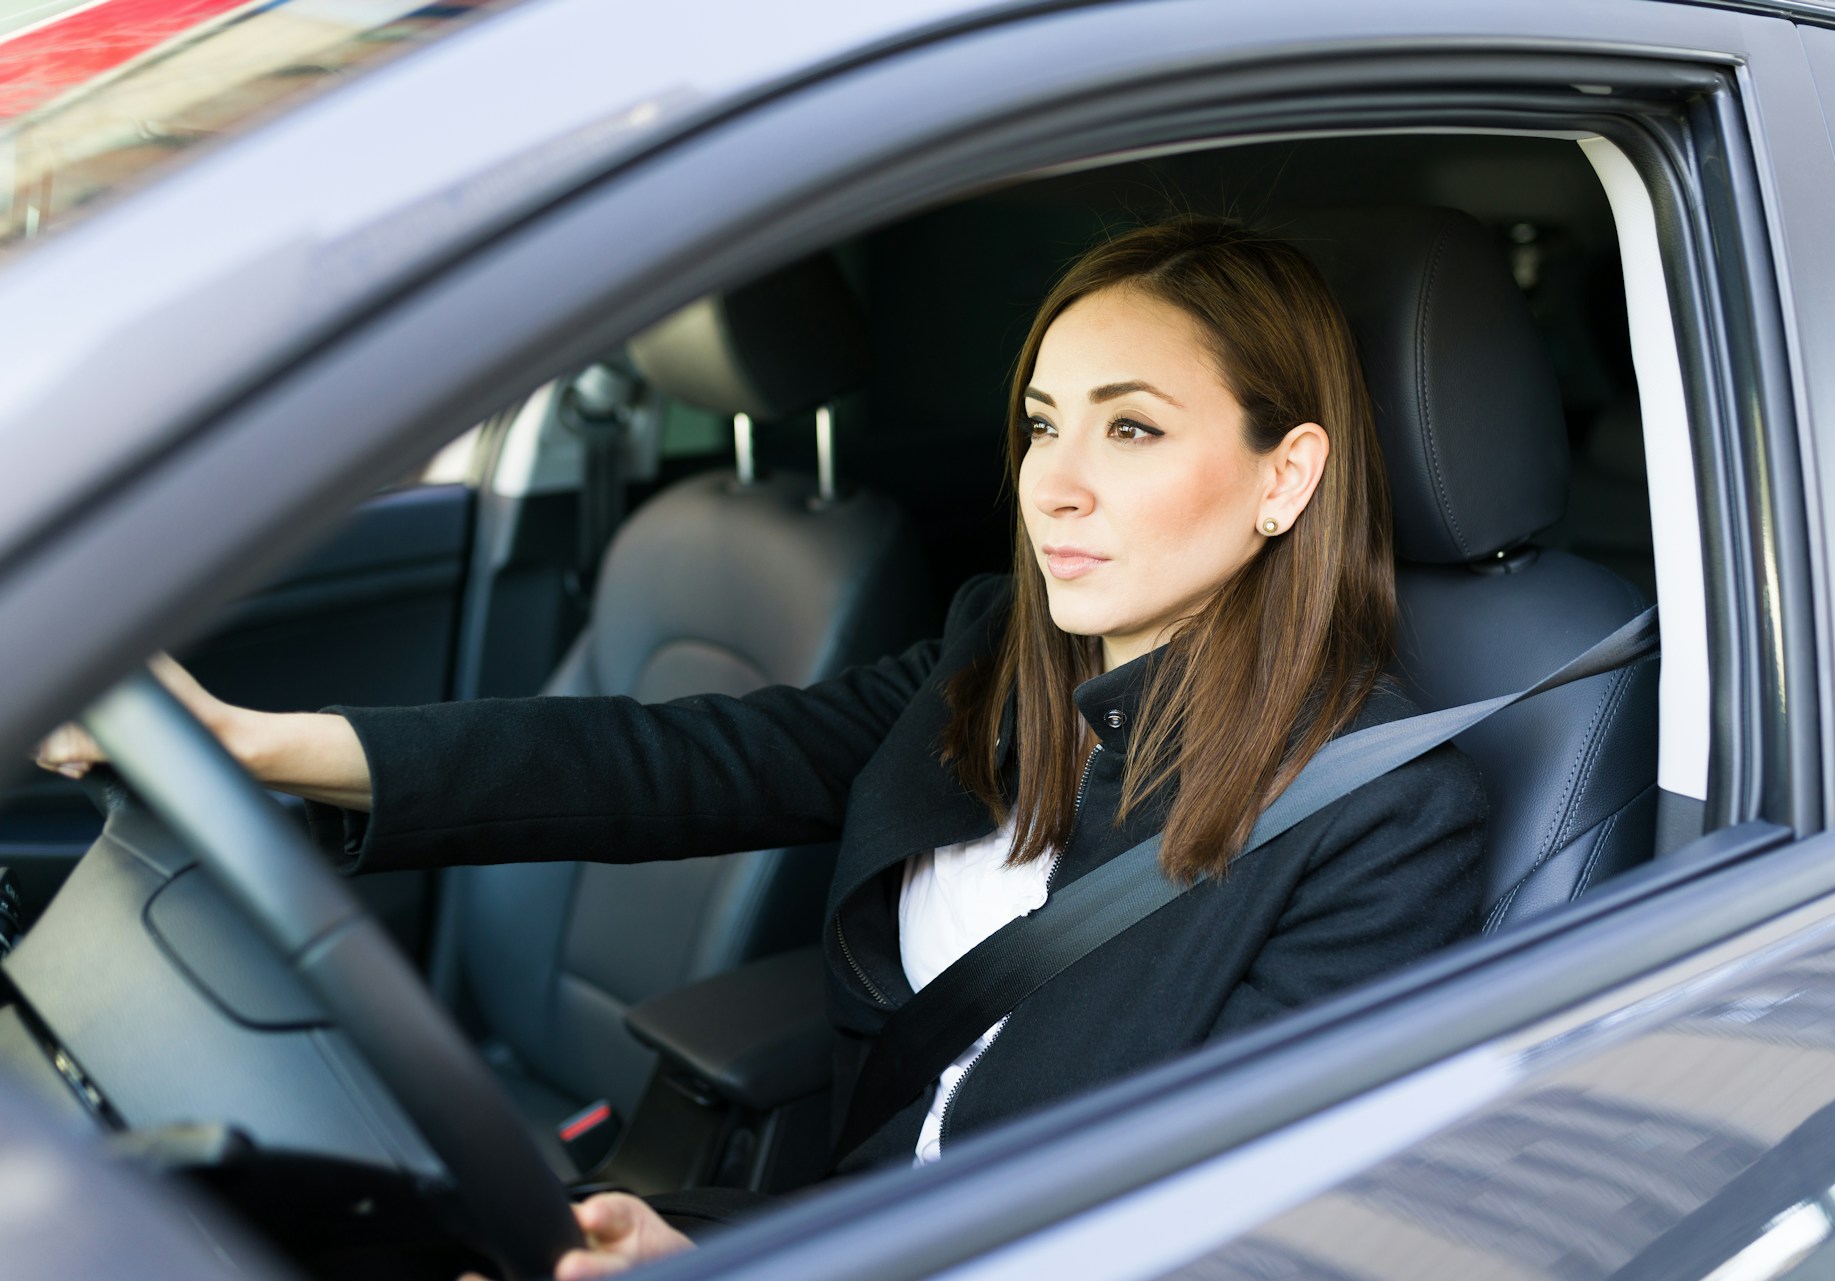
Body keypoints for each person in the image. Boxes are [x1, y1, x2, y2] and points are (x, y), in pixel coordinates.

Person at [36, 216, 1487, 1277]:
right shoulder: (996, 656)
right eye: (1045, 422)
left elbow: (1210, 1239)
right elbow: (676, 762)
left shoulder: (1380, 811)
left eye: (1134, 429)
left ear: (1286, 476)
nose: (1059, 483)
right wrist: (256, 744)